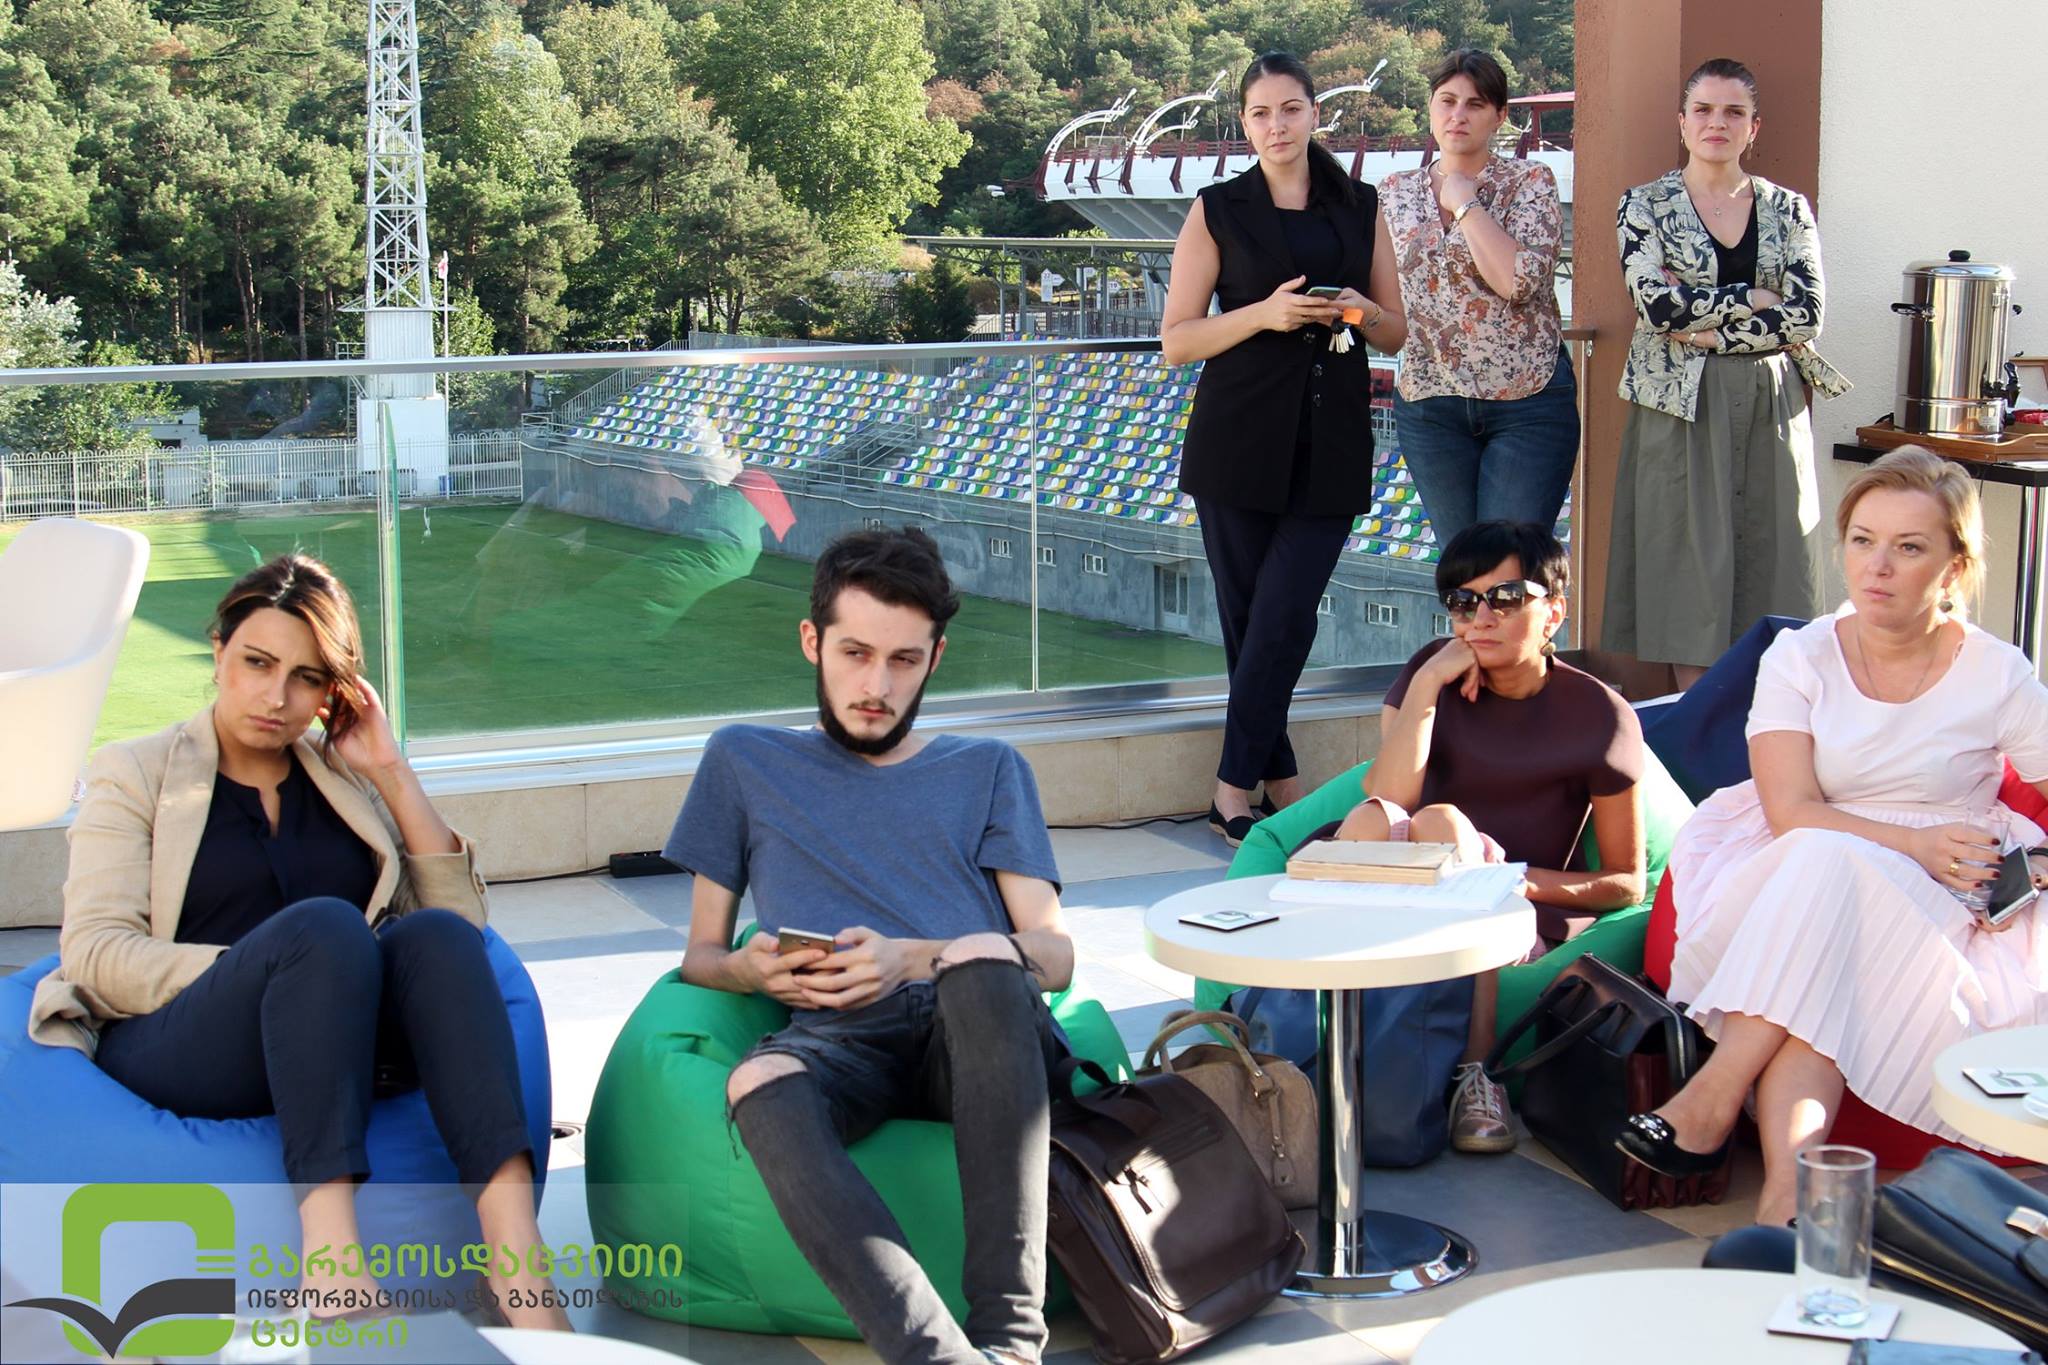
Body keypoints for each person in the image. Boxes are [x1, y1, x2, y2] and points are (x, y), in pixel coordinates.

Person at [26, 554, 568, 1329]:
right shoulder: (134, 772)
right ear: (218, 650)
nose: (277, 697)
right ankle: (333, 1271)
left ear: (333, 692)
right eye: (257, 662)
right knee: (325, 930)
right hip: (183, 1039)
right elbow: (98, 954)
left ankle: (518, 1269)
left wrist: (389, 769)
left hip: (337, 1039)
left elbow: (465, 925)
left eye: (307, 678)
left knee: (438, 937)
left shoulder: (338, 778)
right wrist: (275, 974)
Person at [668, 527, 1074, 1365]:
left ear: (935, 658)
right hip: (839, 1036)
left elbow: (1055, 955)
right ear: (811, 640)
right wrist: (747, 966)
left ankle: (1010, 1340)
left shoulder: (989, 767)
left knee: (981, 962)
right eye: (855, 653)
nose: (876, 686)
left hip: (977, 1029)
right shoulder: (743, 758)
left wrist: (912, 957)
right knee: (758, 1077)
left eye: (903, 660)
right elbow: (699, 956)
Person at [1618, 447, 2048, 1226]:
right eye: (1862, 540)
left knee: (1816, 962)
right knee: (1826, 871)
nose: (1877, 566)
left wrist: (2032, 865)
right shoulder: (1802, 655)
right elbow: (1791, 810)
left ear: (1954, 567)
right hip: (1796, 853)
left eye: (1908, 547)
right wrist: (1910, 843)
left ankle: (1746, 1145)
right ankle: (1769, 1177)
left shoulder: (1997, 672)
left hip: (1940, 888)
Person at [1321, 520, 1646, 1151]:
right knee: (1378, 820)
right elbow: (1388, 796)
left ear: (1554, 612)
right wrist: (1428, 684)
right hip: (1402, 869)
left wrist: (1503, 881)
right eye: (1463, 602)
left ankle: (1478, 1074)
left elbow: (1626, 883)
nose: (1481, 619)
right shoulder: (1431, 671)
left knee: (1445, 825)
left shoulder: (1599, 715)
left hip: (1506, 903)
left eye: (1506, 598)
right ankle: (1317, 1048)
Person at [1161, 50, 1407, 847]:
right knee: (1252, 622)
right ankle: (1282, 781)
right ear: (1245, 123)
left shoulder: (1361, 204)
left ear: (1314, 114)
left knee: (1283, 616)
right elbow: (1178, 340)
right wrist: (1263, 315)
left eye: (1291, 109)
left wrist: (1361, 310)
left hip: (1331, 442)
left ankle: (1232, 787)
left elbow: (1396, 331)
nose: (1277, 125)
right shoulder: (1218, 209)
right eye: (1261, 113)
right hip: (1237, 440)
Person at [1604, 57, 1851, 688]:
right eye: (1704, 110)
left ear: (1754, 127)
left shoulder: (1788, 208)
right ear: (1682, 122)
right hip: (1678, 403)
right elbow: (1657, 308)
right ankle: (1700, 722)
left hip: (1771, 401)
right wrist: (1756, 299)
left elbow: (1807, 315)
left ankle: (1774, 720)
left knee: (1777, 556)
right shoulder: (1643, 204)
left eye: (1734, 112)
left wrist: (1710, 326)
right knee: (1687, 572)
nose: (1718, 122)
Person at [1379, 49, 1577, 550]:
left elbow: (1518, 282)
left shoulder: (1529, 181)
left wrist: (1465, 203)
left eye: (1475, 104)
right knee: (1462, 566)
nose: (1458, 115)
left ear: (1499, 116)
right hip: (1430, 403)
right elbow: (1381, 288)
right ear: (1430, 107)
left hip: (1526, 400)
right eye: (1447, 101)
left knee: (1510, 561)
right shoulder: (1393, 192)